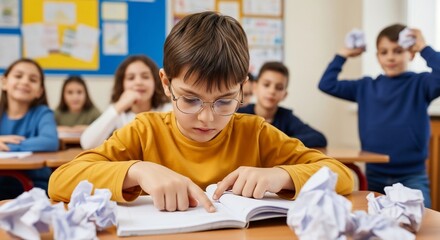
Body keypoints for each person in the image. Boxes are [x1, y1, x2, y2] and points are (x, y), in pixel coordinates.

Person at [49, 11, 353, 212]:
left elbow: (343, 176)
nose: (207, 118)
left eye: (224, 101)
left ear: (243, 88)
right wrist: (136, 170)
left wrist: (281, 176)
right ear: (166, 84)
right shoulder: (144, 131)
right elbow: (61, 181)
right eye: (190, 100)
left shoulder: (256, 132)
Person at [318, 24, 440, 208]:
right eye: (384, 52)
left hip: (412, 176)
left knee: (423, 227)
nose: (390, 56)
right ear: (377, 57)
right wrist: (344, 53)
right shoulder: (365, 86)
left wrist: (424, 47)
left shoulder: (421, 84)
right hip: (374, 175)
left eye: (398, 51)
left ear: (411, 53)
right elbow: (327, 84)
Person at [80, 55, 171, 149]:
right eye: (131, 78)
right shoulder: (118, 114)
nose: (138, 82)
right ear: (122, 84)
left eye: (145, 77)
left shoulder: (168, 110)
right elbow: (87, 144)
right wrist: (118, 107)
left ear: (156, 82)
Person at [0, 58, 59, 200]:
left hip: (34, 185)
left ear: (39, 91)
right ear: (4, 82)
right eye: (18, 76)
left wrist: (7, 146)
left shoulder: (42, 113)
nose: (25, 82)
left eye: (32, 80)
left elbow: (50, 141)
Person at [238, 61, 327, 148]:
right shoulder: (240, 115)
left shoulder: (286, 117)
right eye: (266, 85)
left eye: (279, 88)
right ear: (255, 87)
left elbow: (319, 138)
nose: (272, 91)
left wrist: (280, 141)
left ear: (284, 95)